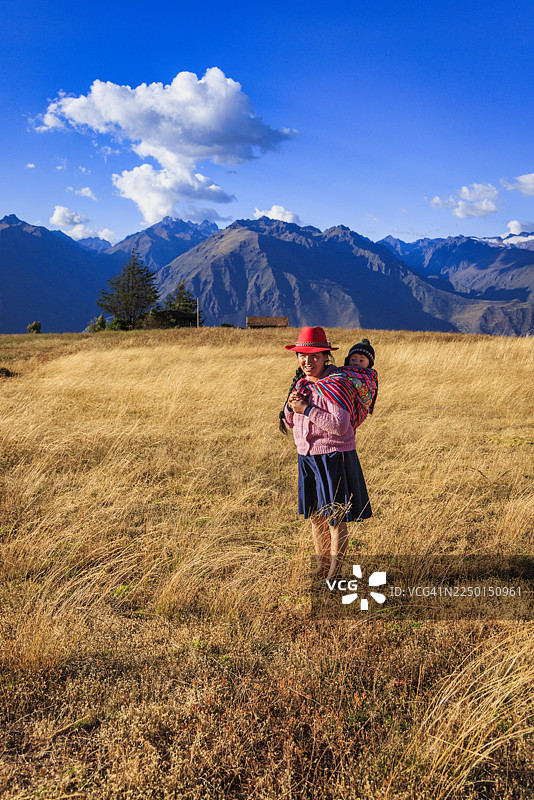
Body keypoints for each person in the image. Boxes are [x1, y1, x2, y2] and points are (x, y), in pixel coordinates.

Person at [280, 326, 374, 581]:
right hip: (307, 457)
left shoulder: (336, 384)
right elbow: (290, 422)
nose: (307, 361)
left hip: (333, 457)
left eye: (314, 356)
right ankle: (321, 567)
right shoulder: (302, 383)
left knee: (335, 518)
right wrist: (292, 406)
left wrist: (307, 409)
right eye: (302, 356)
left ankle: (334, 573)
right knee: (315, 517)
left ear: (325, 357)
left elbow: (341, 426)